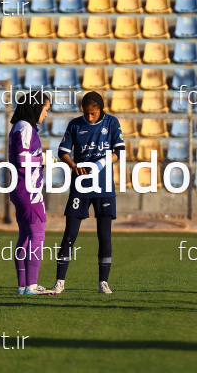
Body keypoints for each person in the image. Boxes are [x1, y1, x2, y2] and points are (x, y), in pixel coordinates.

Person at [51, 92, 125, 294]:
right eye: (87, 113)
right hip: (80, 185)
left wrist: (100, 163)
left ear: (100, 109)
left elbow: (119, 151)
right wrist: (74, 165)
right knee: (70, 234)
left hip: (104, 187)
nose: (90, 118)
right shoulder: (75, 124)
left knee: (104, 235)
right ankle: (59, 281)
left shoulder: (111, 122)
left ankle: (103, 282)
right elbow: (63, 151)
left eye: (94, 113)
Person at [9, 91, 56, 295]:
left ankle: (23, 286)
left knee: (25, 237)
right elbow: (23, 159)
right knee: (37, 236)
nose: (46, 114)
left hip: (19, 188)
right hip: (29, 190)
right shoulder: (26, 127)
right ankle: (31, 286)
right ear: (35, 107)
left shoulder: (19, 126)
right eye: (45, 109)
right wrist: (43, 159)